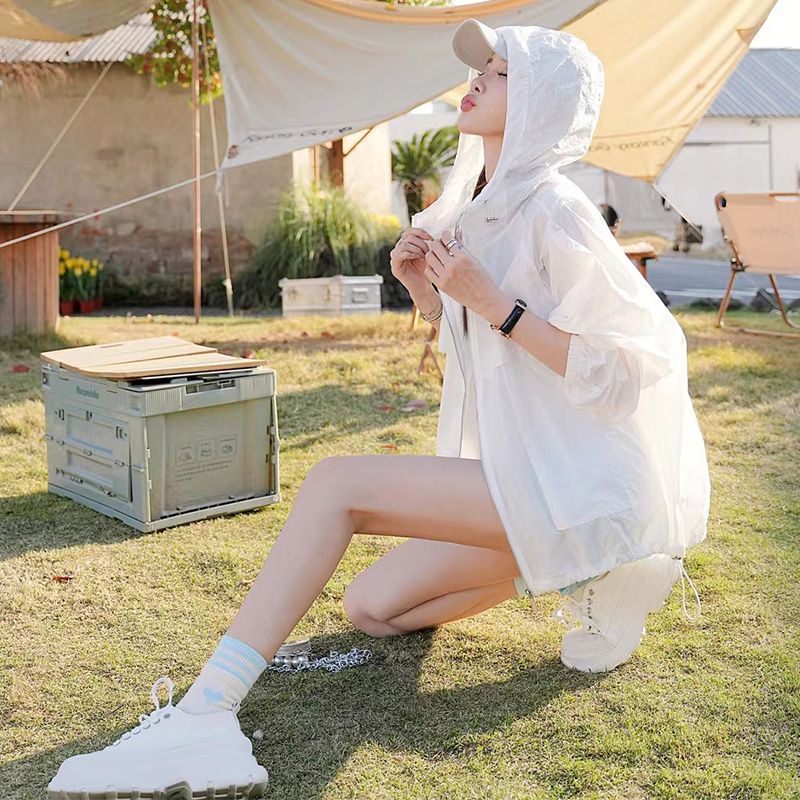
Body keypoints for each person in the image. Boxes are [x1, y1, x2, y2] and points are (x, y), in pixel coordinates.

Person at [47, 18, 710, 798]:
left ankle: (206, 711)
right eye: (481, 69)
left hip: (582, 478)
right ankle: (594, 567)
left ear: (542, 101)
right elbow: (498, 365)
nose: (476, 80)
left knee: (337, 484)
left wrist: (491, 302)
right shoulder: (479, 206)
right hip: (530, 478)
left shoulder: (555, 209)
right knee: (371, 608)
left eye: (500, 73)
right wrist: (429, 295)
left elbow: (636, 366)